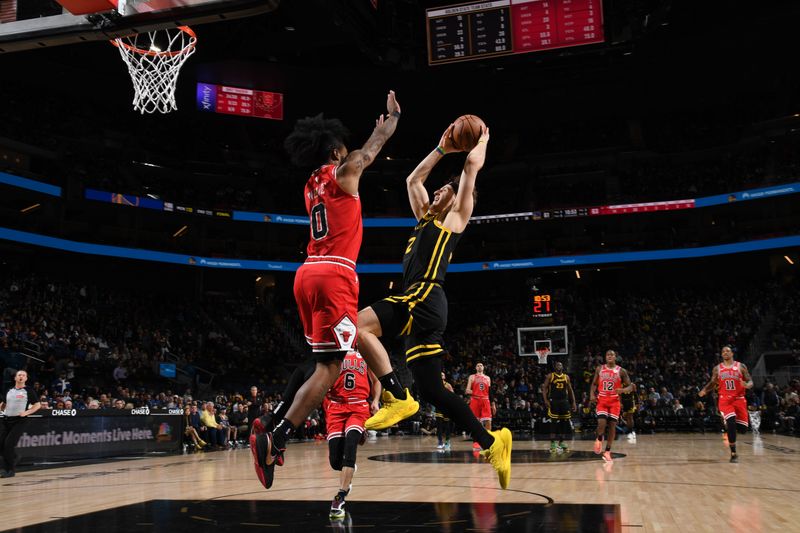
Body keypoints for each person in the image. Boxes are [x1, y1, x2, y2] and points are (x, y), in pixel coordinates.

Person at [251, 90, 401, 490]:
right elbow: (368, 154)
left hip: (306, 274)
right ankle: (276, 437)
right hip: (335, 275)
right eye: (345, 149)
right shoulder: (342, 170)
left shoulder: (310, 183)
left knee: (323, 364)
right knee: (330, 367)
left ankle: (275, 432)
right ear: (336, 151)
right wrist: (390, 124)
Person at [357, 124, 512, 489]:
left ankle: (396, 394)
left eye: (446, 189)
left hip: (424, 296)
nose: (440, 189)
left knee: (358, 324)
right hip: (423, 305)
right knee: (433, 391)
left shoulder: (454, 220)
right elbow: (413, 179)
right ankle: (493, 444)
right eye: (440, 188)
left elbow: (471, 169)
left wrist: (484, 139)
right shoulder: (424, 219)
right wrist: (441, 148)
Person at [325, 351, 380, 519]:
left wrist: (376, 400)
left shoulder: (366, 352)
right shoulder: (333, 353)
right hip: (336, 407)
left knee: (350, 448)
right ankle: (349, 471)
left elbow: (377, 380)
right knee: (335, 462)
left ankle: (340, 497)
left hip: (358, 406)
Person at [699, 345, 753, 462]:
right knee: (731, 423)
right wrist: (704, 390)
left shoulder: (741, 366)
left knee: (743, 429)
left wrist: (747, 385)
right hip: (725, 399)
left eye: (727, 351)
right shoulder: (717, 369)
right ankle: (733, 453)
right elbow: (712, 383)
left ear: (732, 353)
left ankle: (731, 423)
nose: (725, 352)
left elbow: (750, 381)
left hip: (739, 399)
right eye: (723, 351)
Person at [589, 350, 632, 463]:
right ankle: (599, 438)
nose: (610, 356)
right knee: (601, 424)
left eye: (612, 355)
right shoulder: (600, 369)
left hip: (614, 401)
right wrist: (592, 395)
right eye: (608, 354)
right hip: (602, 399)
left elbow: (631, 386)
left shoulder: (621, 371)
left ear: (615, 357)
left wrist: (622, 390)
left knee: (612, 425)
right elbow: (594, 384)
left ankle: (607, 452)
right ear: (605, 357)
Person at [0, 370, 41, 477]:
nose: (21, 376)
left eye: (23, 375)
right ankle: (10, 461)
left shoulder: (28, 390)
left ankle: (10, 470)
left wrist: (26, 412)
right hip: (6, 419)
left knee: (8, 444)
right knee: (1, 444)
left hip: (19, 421)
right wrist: (1, 408)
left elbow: (37, 405)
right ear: (15, 378)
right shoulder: (9, 390)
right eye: (19, 375)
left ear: (26, 378)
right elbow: (4, 403)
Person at [542, 361, 576, 453]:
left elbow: (570, 390)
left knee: (564, 421)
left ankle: (561, 442)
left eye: (560, 365)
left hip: (564, 401)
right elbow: (544, 388)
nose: (558, 366)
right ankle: (552, 442)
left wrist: (573, 402)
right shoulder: (550, 376)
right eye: (557, 365)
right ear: (554, 367)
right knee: (553, 421)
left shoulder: (566, 377)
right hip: (554, 401)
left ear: (562, 367)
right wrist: (546, 400)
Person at [465, 362, 493, 451]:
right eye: (478, 365)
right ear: (475, 368)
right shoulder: (472, 377)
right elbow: (467, 390)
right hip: (475, 400)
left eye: (481, 365)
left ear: (484, 367)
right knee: (475, 423)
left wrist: (493, 404)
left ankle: (488, 441)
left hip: (485, 400)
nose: (479, 366)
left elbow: (490, 393)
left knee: (488, 421)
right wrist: (476, 392)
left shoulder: (488, 378)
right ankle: (476, 442)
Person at [435, 372, 454, 452]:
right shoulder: (434, 384)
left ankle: (447, 441)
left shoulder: (448, 385)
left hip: (446, 406)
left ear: (444, 376)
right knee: (439, 425)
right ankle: (440, 442)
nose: (441, 375)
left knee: (447, 425)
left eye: (442, 374)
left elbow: (453, 395)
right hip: (438, 406)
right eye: (439, 374)